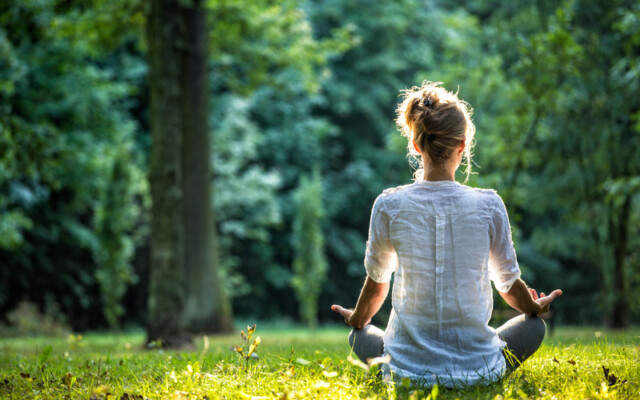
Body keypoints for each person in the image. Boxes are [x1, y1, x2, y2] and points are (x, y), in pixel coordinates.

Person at [331, 81, 562, 387]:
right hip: (478, 370)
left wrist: (357, 319)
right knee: (534, 328)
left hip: (405, 373)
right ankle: (480, 372)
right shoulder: (489, 205)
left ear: (416, 145)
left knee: (358, 335)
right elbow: (507, 284)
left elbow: (376, 287)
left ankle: (403, 364)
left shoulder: (388, 205)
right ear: (462, 146)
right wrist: (533, 307)